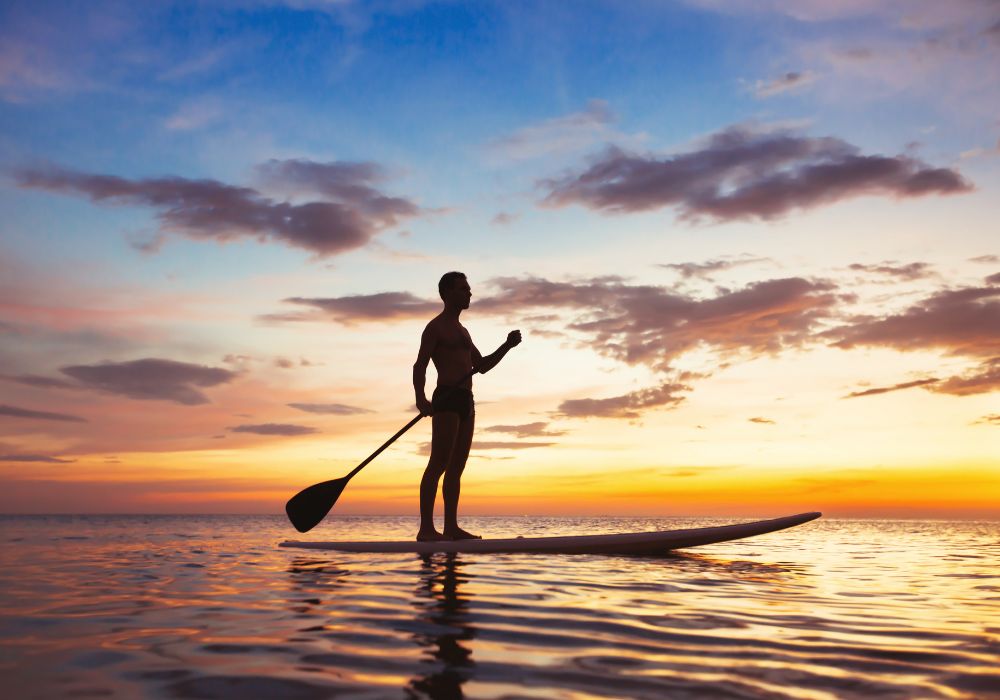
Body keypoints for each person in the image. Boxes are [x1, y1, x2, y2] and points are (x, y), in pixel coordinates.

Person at [413, 271, 521, 541]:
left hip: (466, 401)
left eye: (468, 289)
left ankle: (451, 528)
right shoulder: (435, 327)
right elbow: (420, 364)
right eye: (463, 289)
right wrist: (420, 399)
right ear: (448, 293)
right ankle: (426, 529)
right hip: (447, 398)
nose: (469, 293)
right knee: (438, 463)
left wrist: (507, 346)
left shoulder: (463, 331)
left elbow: (481, 367)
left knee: (457, 468)